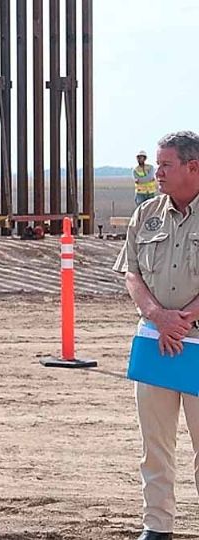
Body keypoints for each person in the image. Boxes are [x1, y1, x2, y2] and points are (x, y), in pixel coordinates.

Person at [113, 131, 199, 540]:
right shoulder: (145, 214)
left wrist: (181, 319)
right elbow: (132, 272)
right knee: (156, 447)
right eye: (157, 165)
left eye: (165, 166)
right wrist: (157, 316)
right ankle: (157, 527)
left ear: (192, 167)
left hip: (195, 340)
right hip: (155, 342)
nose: (156, 173)